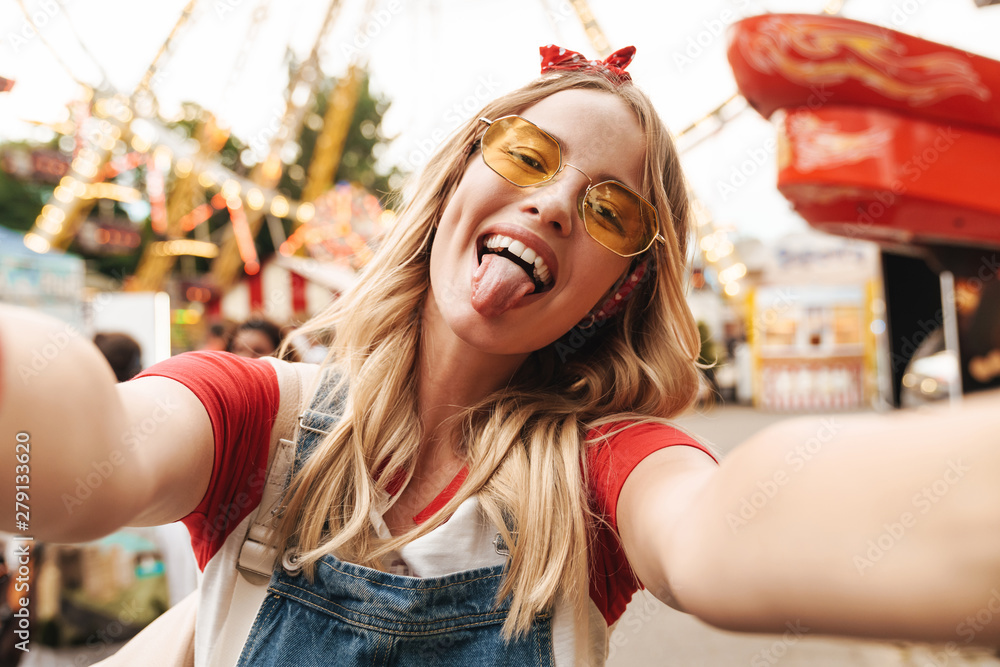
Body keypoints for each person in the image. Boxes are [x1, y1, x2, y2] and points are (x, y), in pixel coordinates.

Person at [2, 44, 1000, 666]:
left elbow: (721, 532)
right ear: (451, 188)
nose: (558, 200)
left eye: (610, 208)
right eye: (529, 155)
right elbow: (90, 462)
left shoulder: (602, 469)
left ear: (618, 289)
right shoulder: (256, 413)